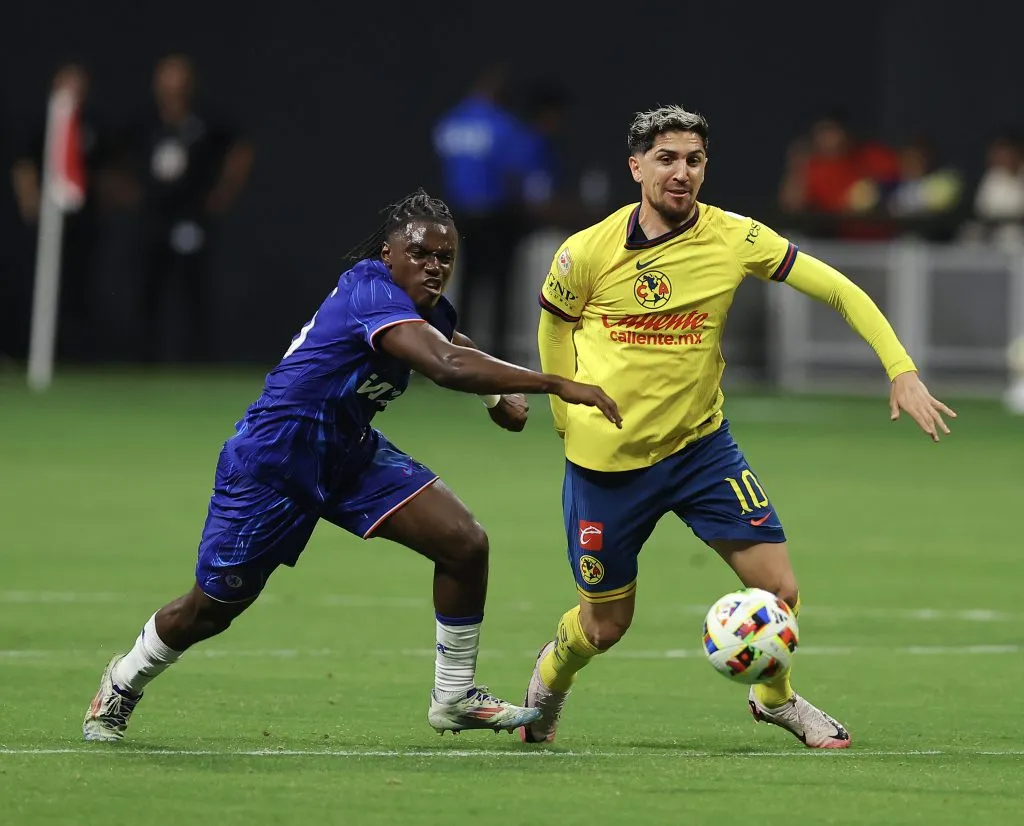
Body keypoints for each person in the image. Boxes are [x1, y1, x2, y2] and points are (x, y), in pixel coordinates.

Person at [82, 189, 621, 742]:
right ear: (389, 255)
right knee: (213, 607)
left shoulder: (424, 303)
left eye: (445, 258)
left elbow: (449, 338)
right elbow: (443, 362)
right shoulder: (370, 289)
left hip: (348, 451)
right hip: (275, 459)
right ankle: (123, 681)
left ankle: (454, 695)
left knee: (464, 543)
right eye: (420, 254)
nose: (434, 267)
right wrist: (553, 382)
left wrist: (494, 399)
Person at [518, 106, 956, 749]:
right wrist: (564, 412)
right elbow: (554, 324)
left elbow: (838, 288)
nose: (681, 172)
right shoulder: (586, 251)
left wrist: (901, 369)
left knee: (779, 590)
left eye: (693, 160)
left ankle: (774, 700)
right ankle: (549, 677)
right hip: (606, 467)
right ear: (636, 167)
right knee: (605, 627)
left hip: (700, 450)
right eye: (666, 159)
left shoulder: (734, 237)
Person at [135, 53, 254, 363]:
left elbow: (241, 149)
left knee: (194, 291)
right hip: (154, 218)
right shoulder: (146, 121)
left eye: (179, 80)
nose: (173, 88)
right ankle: (144, 361)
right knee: (149, 289)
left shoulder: (206, 122)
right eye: (167, 80)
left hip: (193, 217)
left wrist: (223, 193)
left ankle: (199, 362)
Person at [432, 64, 535, 358]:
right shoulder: (503, 124)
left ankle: (456, 346)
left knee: (463, 283)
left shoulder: (452, 120)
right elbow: (514, 171)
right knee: (500, 285)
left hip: (460, 214)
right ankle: (497, 354)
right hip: (496, 214)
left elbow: (445, 153)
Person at [10, 62, 111, 361]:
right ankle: (27, 352)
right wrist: (31, 202)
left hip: (82, 222)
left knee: (78, 290)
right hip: (46, 222)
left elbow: (104, 172)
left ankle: (75, 355)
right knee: (39, 288)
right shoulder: (41, 122)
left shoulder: (92, 123)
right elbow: (24, 164)